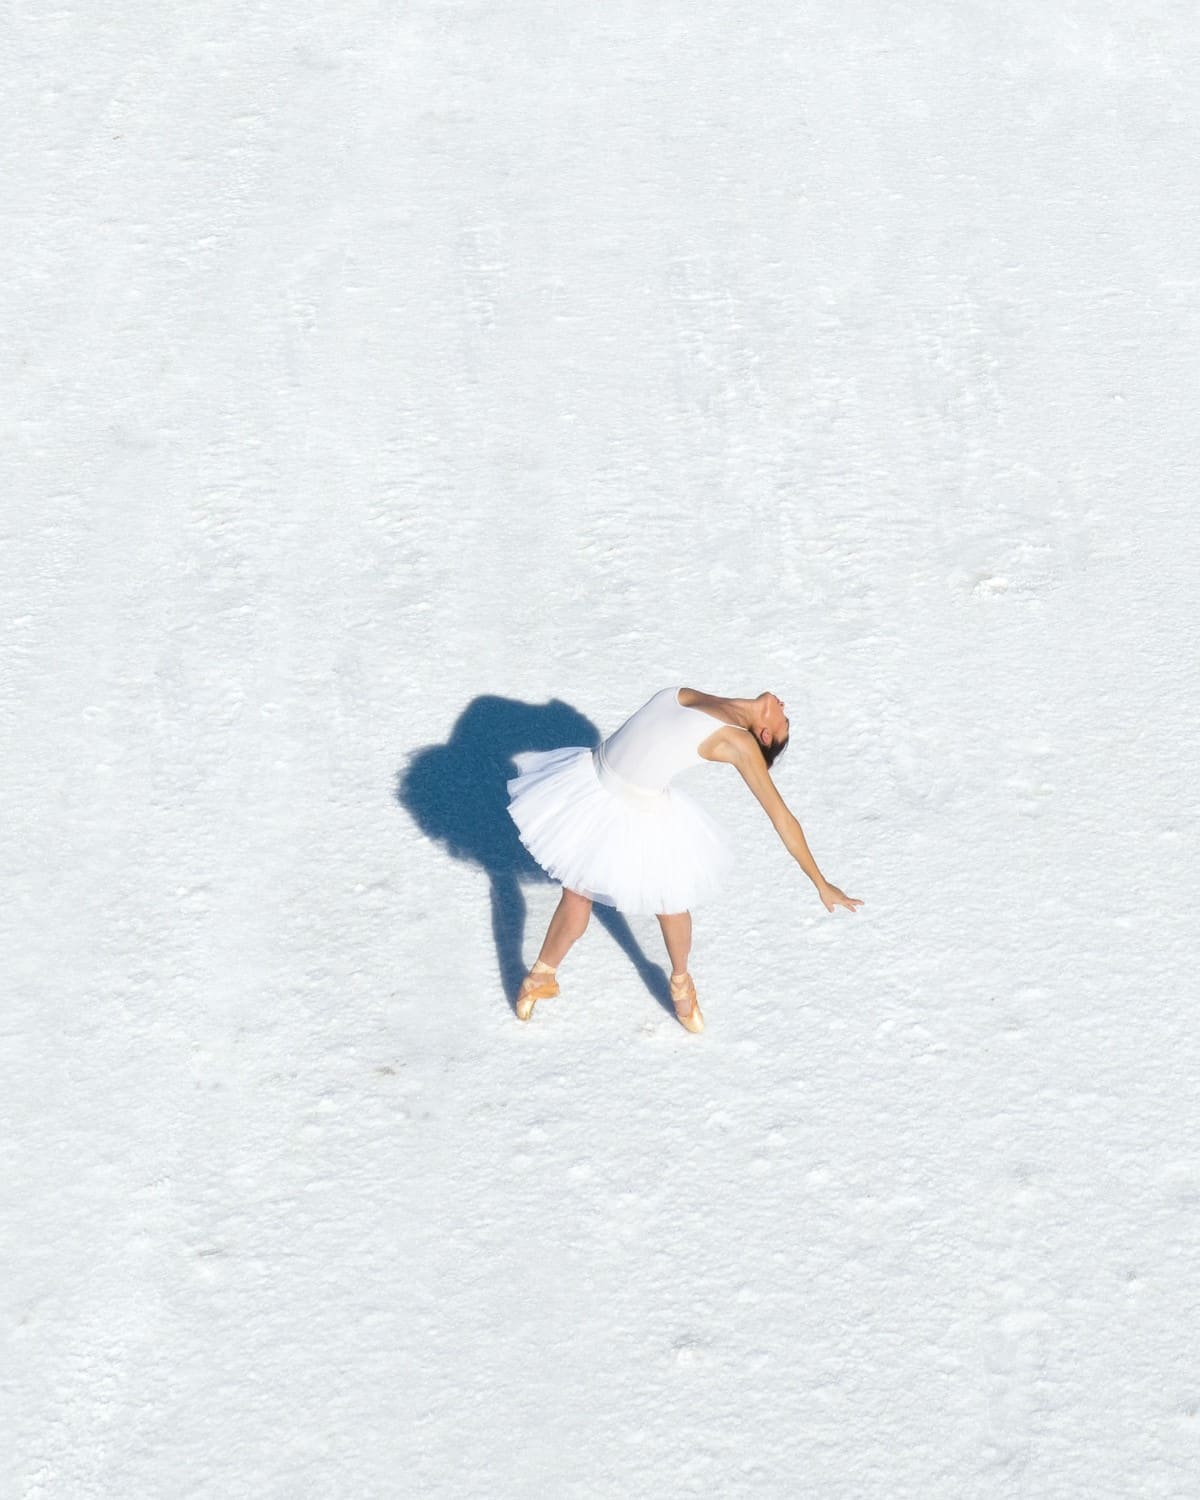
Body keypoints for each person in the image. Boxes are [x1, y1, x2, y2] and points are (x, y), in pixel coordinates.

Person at [506, 687, 862, 1032]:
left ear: (765, 735)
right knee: (576, 894)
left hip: (637, 810)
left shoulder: (737, 743)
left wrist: (820, 881)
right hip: (593, 785)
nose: (784, 705)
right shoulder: (717, 702)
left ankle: (681, 985)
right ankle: (541, 976)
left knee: (671, 903)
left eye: (785, 720)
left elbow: (781, 817)